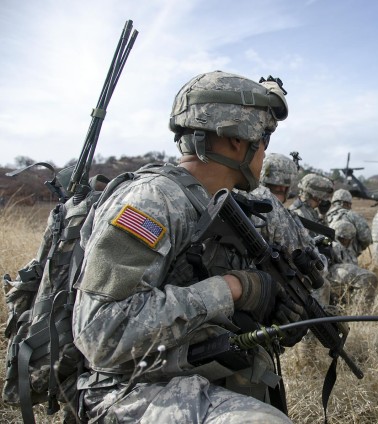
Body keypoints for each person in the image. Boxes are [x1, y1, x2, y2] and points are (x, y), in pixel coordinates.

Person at [72, 71, 303, 423]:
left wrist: (271, 312)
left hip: (183, 369)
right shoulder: (152, 201)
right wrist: (233, 288)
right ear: (238, 141)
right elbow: (100, 334)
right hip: (123, 388)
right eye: (264, 139)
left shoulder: (224, 207)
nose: (265, 154)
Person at [327, 221, 378, 308]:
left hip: (341, 285)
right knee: (368, 278)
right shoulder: (336, 247)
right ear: (346, 238)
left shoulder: (344, 248)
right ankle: (363, 312)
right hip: (336, 282)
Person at [325, 188, 372, 258]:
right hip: (348, 258)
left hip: (327, 257)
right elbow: (366, 238)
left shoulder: (326, 216)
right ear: (347, 203)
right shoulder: (353, 216)